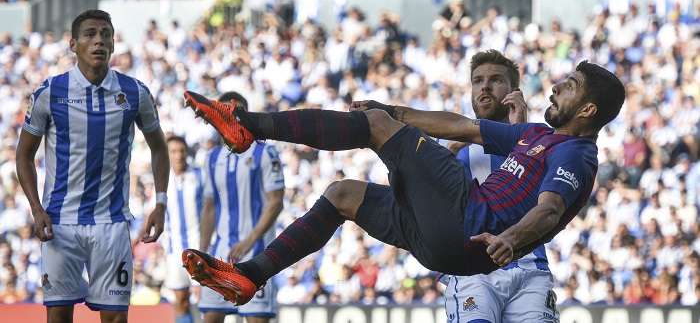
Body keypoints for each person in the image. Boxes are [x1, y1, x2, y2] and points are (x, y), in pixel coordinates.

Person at [180, 59, 625, 307]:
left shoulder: (578, 155)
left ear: (586, 110)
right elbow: (464, 128)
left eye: (568, 87)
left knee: (372, 125)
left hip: (470, 220)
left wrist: (511, 238)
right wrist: (396, 112)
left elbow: (549, 209)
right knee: (343, 195)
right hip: (446, 247)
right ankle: (249, 276)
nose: (554, 90)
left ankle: (246, 125)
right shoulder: (537, 136)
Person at [15, 9, 169, 323]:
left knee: (115, 319)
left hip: (111, 224)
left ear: (113, 43)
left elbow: (159, 147)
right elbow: (24, 155)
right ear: (73, 43)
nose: (98, 40)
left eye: (105, 34)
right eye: (90, 34)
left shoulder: (134, 92)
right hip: (60, 223)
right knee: (58, 317)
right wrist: (35, 208)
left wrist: (161, 202)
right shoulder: (49, 93)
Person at [443, 50, 559, 323]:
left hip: (529, 267)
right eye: (477, 80)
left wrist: (521, 132)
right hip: (474, 270)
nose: (484, 86)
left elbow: (553, 203)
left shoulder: (542, 140)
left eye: (495, 79)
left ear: (513, 92)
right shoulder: (450, 142)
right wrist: (445, 159)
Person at [197, 92, 285, 323]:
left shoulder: (265, 152)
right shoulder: (212, 157)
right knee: (211, 317)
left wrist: (249, 241)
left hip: (257, 253)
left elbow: (276, 202)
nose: (229, 118)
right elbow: (209, 207)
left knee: (256, 318)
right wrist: (202, 251)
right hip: (220, 251)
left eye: (235, 113)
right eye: (223, 113)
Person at [163, 135, 203, 323]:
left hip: (200, 248)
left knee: (205, 300)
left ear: (186, 153)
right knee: (180, 300)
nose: (178, 156)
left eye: (181, 151)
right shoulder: (161, 180)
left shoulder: (199, 176)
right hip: (174, 250)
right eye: (173, 151)